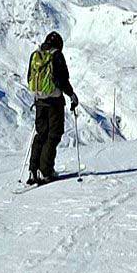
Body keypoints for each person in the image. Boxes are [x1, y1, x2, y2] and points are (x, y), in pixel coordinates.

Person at [25, 31, 79, 185]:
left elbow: (29, 77)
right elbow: (62, 79)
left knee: (41, 134)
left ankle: (33, 170)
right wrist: (71, 95)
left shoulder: (36, 55)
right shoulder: (56, 56)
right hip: (54, 102)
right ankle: (46, 170)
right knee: (54, 134)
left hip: (39, 101)